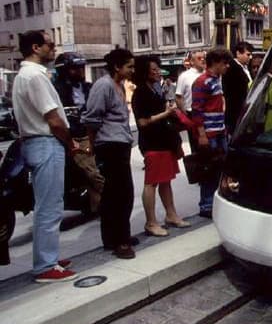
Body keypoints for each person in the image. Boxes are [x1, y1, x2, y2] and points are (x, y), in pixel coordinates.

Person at [12, 30, 82, 282]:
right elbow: (53, 119)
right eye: (50, 45)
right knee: (50, 206)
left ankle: (48, 257)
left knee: (48, 204)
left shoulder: (24, 75)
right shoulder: (35, 77)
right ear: (35, 47)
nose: (53, 49)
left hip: (36, 142)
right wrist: (70, 141)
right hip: (45, 142)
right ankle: (45, 266)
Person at [83, 48, 137, 260]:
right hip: (109, 145)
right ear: (117, 67)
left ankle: (115, 237)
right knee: (121, 194)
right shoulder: (103, 85)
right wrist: (93, 145)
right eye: (129, 66)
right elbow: (92, 118)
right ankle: (120, 241)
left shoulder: (120, 85)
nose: (132, 70)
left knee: (116, 193)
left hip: (120, 143)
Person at [132, 56, 191, 237]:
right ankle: (151, 222)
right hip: (152, 143)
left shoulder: (155, 90)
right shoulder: (141, 92)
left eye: (158, 69)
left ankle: (171, 214)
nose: (158, 72)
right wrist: (166, 113)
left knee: (166, 180)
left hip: (164, 141)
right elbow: (142, 122)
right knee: (152, 183)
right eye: (154, 70)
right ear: (145, 72)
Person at [53, 52, 104, 214]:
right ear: (64, 71)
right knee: (93, 174)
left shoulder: (88, 87)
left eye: (82, 67)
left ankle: (100, 206)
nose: (80, 71)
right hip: (72, 137)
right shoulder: (56, 90)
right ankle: (112, 199)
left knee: (96, 171)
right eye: (75, 68)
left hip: (91, 133)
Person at [192, 48, 232, 218]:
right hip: (210, 132)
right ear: (216, 62)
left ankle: (214, 202)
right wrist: (202, 135)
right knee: (209, 169)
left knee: (218, 167)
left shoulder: (216, 80)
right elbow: (197, 110)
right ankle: (207, 205)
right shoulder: (202, 82)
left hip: (219, 130)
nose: (227, 66)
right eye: (224, 63)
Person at [175, 50, 205, 150]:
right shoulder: (184, 76)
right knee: (196, 145)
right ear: (192, 62)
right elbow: (178, 97)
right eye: (199, 58)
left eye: (204, 57)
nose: (203, 60)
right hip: (192, 113)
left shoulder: (209, 74)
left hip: (208, 113)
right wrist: (186, 114)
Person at [223, 41, 253, 133]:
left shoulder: (245, 67)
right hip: (236, 112)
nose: (250, 57)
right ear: (238, 53)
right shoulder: (232, 68)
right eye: (248, 54)